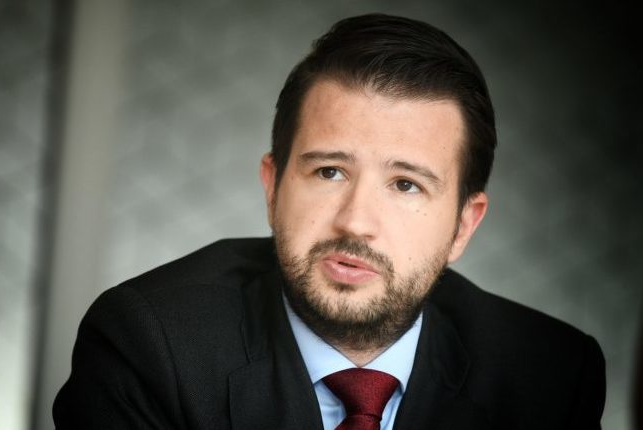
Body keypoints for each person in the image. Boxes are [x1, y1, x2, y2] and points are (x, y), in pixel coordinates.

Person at [53, 14, 605, 429]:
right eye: (329, 172)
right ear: (273, 187)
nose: (355, 222)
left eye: (406, 185)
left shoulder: (550, 376)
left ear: (463, 225)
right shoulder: (150, 344)